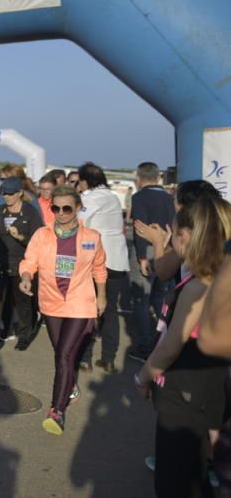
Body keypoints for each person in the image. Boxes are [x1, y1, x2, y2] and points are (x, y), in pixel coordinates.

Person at [135, 196, 231, 496]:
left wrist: (144, 376)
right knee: (193, 473)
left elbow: (171, 345)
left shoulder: (198, 286)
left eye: (173, 232)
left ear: (186, 236)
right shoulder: (210, 278)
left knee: (174, 481)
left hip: (185, 391)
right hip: (199, 389)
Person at [19, 184, 107, 435]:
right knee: (61, 352)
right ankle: (71, 385)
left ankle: (56, 411)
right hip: (51, 302)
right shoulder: (41, 235)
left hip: (81, 303)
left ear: (78, 208)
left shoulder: (92, 237)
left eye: (67, 208)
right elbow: (29, 261)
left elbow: (100, 269)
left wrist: (102, 297)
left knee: (64, 356)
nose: (61, 212)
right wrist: (26, 277)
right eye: (55, 207)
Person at [76, 162, 128, 373]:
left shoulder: (91, 197)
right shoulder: (113, 196)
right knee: (110, 312)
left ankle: (85, 358)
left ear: (85, 181)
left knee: (89, 309)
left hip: (96, 260)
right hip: (117, 260)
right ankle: (108, 359)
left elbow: (79, 221)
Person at [0, 177, 43, 356]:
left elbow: (38, 241)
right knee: (0, 301)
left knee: (22, 302)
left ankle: (25, 335)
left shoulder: (30, 212)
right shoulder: (1, 210)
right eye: (4, 193)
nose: (7, 196)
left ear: (20, 193)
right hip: (1, 263)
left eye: (10, 193)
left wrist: (20, 238)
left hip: (23, 264)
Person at [128, 161, 176, 363]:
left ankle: (145, 346)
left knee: (141, 299)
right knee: (160, 297)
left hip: (146, 249)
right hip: (165, 248)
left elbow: (140, 228)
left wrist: (140, 258)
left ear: (139, 179)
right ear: (158, 177)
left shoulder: (139, 197)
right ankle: (166, 338)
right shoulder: (169, 197)